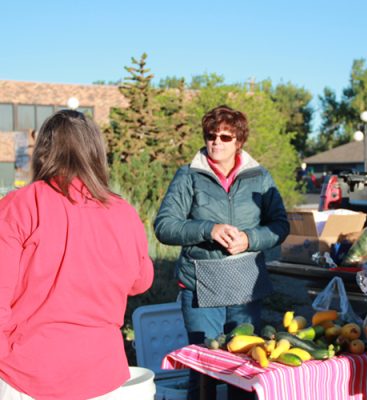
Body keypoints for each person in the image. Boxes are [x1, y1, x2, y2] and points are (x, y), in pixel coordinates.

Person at [0, 110, 154, 400]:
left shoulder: (19, 206)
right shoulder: (122, 211)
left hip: (28, 373)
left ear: (43, 151)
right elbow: (141, 281)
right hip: (102, 373)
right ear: (95, 152)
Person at [154, 105, 289, 399]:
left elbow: (280, 225)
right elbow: (164, 226)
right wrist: (208, 229)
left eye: (225, 137)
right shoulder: (188, 176)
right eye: (211, 135)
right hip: (200, 289)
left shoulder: (260, 177)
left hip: (245, 287)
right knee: (203, 370)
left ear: (239, 141)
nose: (216, 142)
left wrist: (250, 239)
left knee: (244, 370)